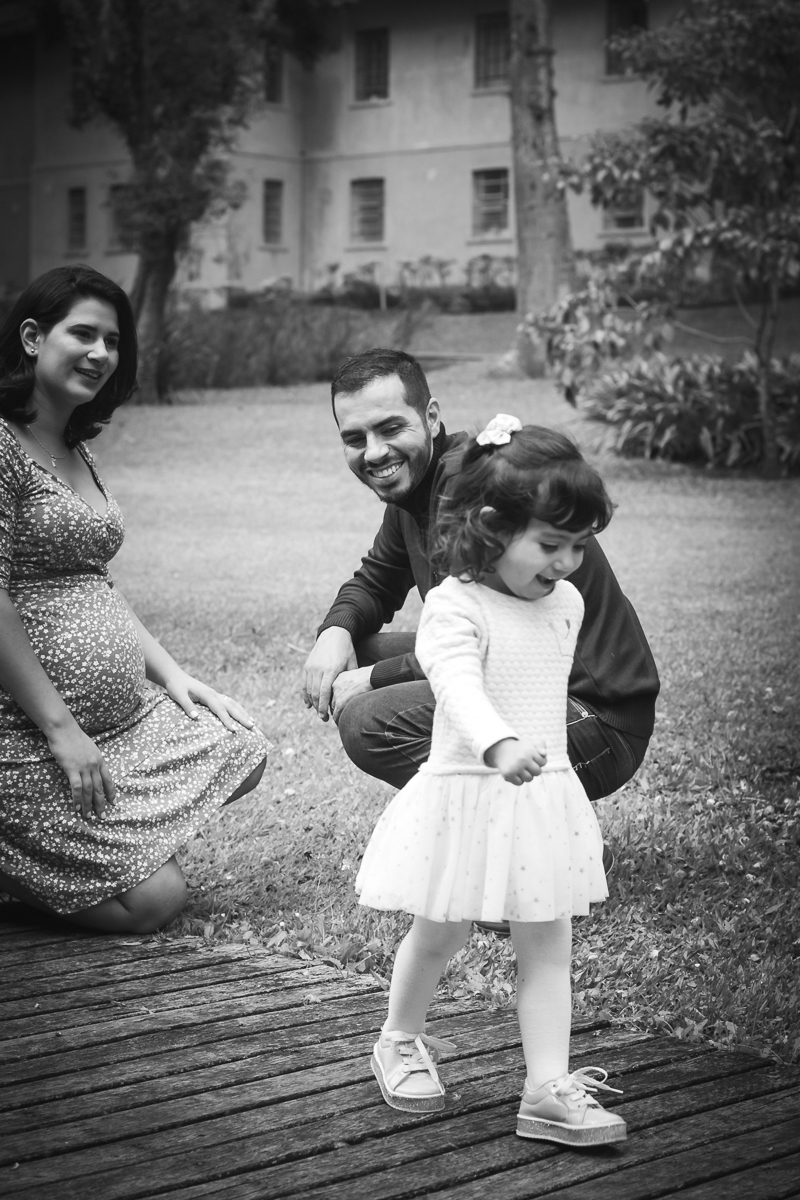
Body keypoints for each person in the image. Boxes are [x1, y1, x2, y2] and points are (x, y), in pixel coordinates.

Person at [302, 349, 659, 921]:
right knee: (362, 651)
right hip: (526, 679)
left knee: (369, 720)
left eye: (390, 428)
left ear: (431, 417)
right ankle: (527, 842)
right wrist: (336, 631)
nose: (374, 452)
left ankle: (531, 856)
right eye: (355, 438)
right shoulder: (416, 489)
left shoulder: (469, 493)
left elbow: (475, 635)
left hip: (592, 715)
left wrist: (370, 679)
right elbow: (377, 578)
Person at [355, 417, 626, 1144]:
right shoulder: (456, 603)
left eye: (578, 545)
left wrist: (533, 761)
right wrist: (499, 744)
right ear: (490, 528)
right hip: (468, 793)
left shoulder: (566, 603)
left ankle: (546, 1088)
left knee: (549, 944)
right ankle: (399, 1038)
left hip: (540, 799)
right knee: (439, 932)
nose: (566, 562)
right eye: (551, 543)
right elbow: (456, 684)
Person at [0, 266, 269, 933]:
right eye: (83, 334)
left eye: (113, 341)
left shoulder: (71, 446)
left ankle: (103, 839)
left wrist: (174, 676)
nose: (101, 353)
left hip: (116, 727)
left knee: (241, 746)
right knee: (153, 902)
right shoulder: (2, 445)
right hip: (26, 733)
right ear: (32, 338)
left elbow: (95, 583)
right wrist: (62, 731)